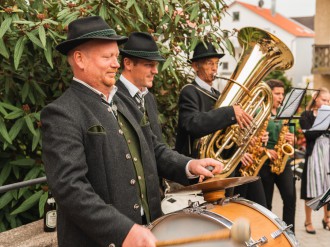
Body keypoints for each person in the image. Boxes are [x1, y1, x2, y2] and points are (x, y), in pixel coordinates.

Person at [41, 16, 223, 247]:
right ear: (80, 59)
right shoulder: (61, 113)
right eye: (107, 57)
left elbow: (153, 148)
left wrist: (188, 165)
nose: (116, 64)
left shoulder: (125, 101)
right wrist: (123, 230)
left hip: (150, 229)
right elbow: (70, 188)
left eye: (116, 57)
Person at [175, 40, 267, 206]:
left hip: (221, 168)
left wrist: (242, 146)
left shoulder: (218, 95)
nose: (215, 68)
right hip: (199, 169)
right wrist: (229, 112)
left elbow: (225, 134)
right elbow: (193, 124)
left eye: (217, 63)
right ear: (195, 66)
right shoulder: (190, 91)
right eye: (209, 63)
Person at [259, 79, 296, 232]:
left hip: (283, 161)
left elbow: (292, 137)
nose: (281, 97)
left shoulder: (286, 113)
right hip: (265, 161)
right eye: (277, 94)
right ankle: (266, 233)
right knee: (266, 203)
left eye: (282, 94)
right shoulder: (260, 112)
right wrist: (266, 150)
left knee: (290, 198)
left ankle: (289, 233)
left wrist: (291, 139)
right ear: (269, 93)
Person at [299, 87, 330, 234]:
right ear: (316, 98)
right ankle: (308, 221)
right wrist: (324, 124)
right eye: (324, 100)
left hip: (328, 153)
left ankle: (327, 218)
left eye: (329, 101)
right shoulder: (306, 115)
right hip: (314, 154)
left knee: (328, 187)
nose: (327, 103)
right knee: (310, 189)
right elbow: (309, 136)